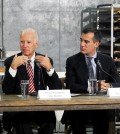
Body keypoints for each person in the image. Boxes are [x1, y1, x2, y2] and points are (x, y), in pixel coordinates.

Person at [2, 28, 62, 134]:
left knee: (49, 120)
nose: (24, 45)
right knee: (22, 123)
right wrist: (13, 67)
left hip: (40, 107)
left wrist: (49, 68)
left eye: (28, 42)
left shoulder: (44, 60)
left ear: (36, 44)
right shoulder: (11, 61)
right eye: (22, 42)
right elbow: (7, 90)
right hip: (18, 108)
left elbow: (57, 88)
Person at [61, 27, 120, 134]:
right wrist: (92, 87)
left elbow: (118, 83)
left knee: (103, 121)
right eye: (81, 40)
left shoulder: (107, 60)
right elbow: (70, 86)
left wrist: (109, 85)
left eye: (86, 41)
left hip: (100, 106)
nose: (82, 44)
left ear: (96, 44)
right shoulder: (72, 61)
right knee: (77, 121)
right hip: (79, 107)